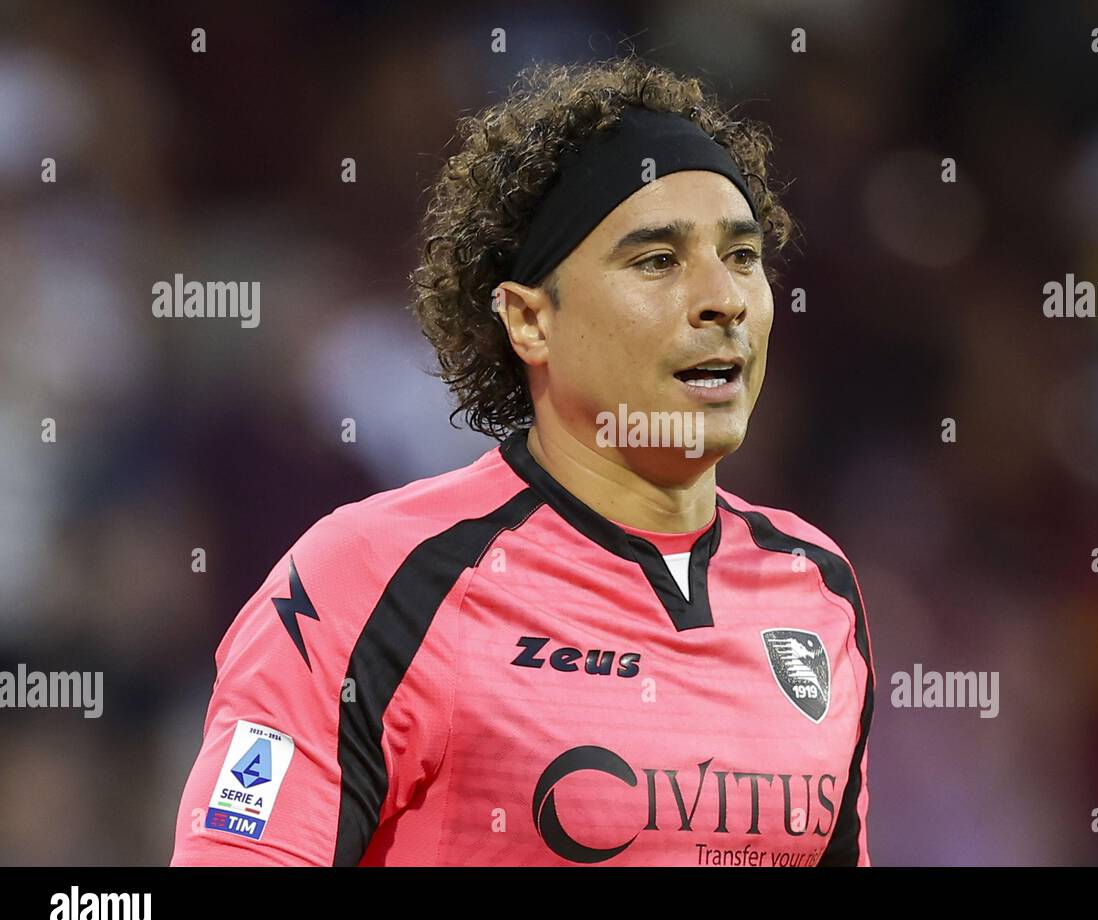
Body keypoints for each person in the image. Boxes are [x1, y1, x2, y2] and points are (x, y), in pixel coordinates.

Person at [171, 55, 876, 866]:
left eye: (744, 256)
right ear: (530, 321)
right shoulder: (372, 580)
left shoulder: (817, 587)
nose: (724, 299)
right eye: (657, 261)